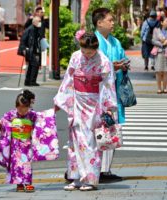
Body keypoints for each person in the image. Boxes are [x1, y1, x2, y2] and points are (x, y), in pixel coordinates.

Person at [54, 32, 118, 191]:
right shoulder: (76, 57)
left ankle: (90, 179)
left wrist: (108, 108)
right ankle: (75, 177)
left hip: (95, 102)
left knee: (89, 142)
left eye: (89, 52)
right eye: (84, 51)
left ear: (95, 48)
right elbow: (68, 80)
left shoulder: (103, 61)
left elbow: (108, 85)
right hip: (77, 100)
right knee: (74, 141)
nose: (86, 55)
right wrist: (60, 100)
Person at [0, 90, 58, 193]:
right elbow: (3, 121)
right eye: (20, 107)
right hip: (15, 144)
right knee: (16, 165)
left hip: (27, 144)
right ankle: (19, 184)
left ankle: (28, 183)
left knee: (26, 164)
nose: (22, 110)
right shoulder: (11, 114)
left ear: (28, 106)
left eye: (25, 108)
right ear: (16, 106)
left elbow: (44, 118)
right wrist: (0, 123)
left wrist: (54, 110)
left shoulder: (32, 114)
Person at [92, 7, 130, 183]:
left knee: (112, 128)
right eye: (110, 20)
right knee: (97, 130)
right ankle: (96, 168)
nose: (113, 23)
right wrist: (110, 68)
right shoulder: (92, 41)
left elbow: (123, 58)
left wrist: (122, 65)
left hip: (112, 91)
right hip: (97, 93)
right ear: (99, 22)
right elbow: (90, 67)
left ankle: (106, 170)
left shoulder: (115, 42)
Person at [152, 16, 167, 94]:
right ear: (161, 22)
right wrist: (162, 44)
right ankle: (159, 88)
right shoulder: (156, 30)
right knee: (158, 71)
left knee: (166, 71)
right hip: (158, 52)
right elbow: (153, 41)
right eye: (166, 21)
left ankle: (165, 88)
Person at [18, 16, 43, 86]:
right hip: (29, 50)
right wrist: (23, 49)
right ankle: (32, 81)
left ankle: (28, 81)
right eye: (39, 21)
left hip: (34, 50)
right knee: (35, 65)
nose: (40, 23)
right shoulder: (29, 29)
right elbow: (23, 39)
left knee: (32, 66)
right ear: (34, 22)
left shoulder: (36, 29)